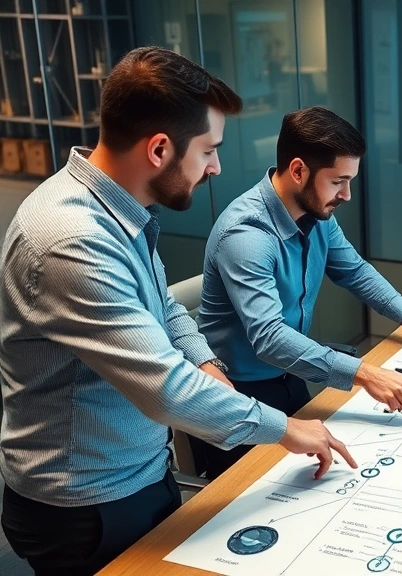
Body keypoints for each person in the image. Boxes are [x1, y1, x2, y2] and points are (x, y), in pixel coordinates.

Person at [0, 47, 357, 576]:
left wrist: (209, 367)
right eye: (209, 149)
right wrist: (284, 428)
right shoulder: (71, 240)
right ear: (160, 149)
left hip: (140, 469)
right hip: (83, 502)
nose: (215, 166)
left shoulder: (120, 209)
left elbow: (163, 307)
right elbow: (165, 387)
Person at [191, 106, 402, 479]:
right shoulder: (247, 235)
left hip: (288, 376)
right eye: (338, 181)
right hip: (238, 395)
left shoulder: (316, 214)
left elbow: (354, 270)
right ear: (297, 171)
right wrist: (366, 374)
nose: (347, 194)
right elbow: (269, 338)